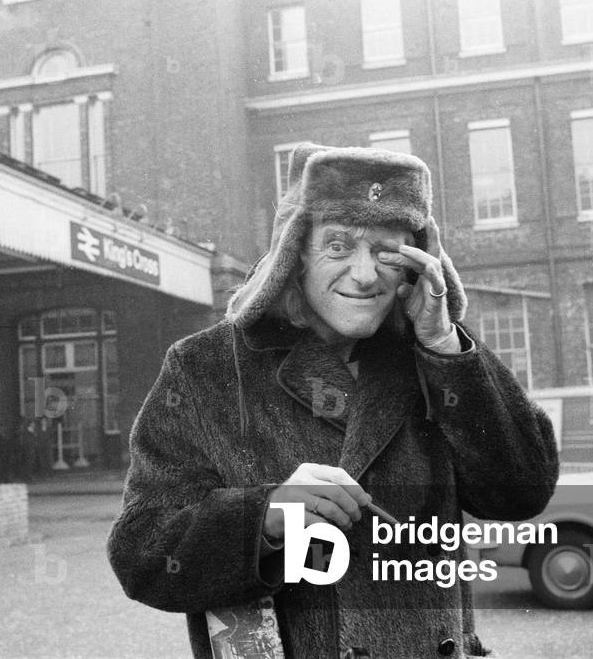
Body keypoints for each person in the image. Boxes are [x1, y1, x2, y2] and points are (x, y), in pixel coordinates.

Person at [108, 143, 559, 659]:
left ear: (418, 264)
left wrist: (444, 345)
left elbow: (521, 493)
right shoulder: (205, 368)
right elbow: (142, 555)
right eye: (338, 245)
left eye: (387, 251)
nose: (365, 275)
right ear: (295, 253)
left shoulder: (436, 353)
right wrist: (266, 515)